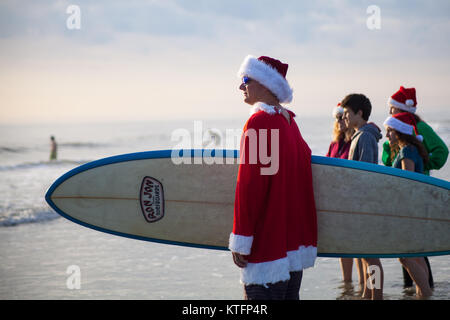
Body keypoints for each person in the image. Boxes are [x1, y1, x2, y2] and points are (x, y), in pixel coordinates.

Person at [229, 55, 318, 300]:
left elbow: (250, 187)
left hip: (266, 253)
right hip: (292, 251)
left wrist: (241, 240)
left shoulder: (258, 123)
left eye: (246, 79)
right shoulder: (291, 125)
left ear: (266, 84)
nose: (240, 86)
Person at [382, 86, 447, 288]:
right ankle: (415, 289)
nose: (390, 112)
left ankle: (423, 290)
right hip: (407, 190)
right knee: (411, 252)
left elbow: (442, 151)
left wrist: (423, 164)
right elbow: (387, 160)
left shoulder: (420, 129)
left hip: (415, 191)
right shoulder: (397, 135)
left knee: (413, 251)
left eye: (392, 108)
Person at [383, 112, 433, 298]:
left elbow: (408, 183)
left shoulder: (407, 151)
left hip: (408, 211)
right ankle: (424, 294)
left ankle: (425, 293)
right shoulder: (412, 148)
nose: (387, 136)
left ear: (400, 131)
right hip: (417, 209)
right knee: (417, 256)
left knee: (405, 256)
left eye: (390, 131)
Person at [341, 93, 384, 300]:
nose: (344, 117)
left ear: (359, 113)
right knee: (366, 257)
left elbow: (366, 173)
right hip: (360, 206)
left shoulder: (365, 136)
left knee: (371, 257)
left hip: (365, 206)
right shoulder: (359, 135)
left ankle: (377, 295)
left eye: (348, 113)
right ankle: (368, 294)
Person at [325, 104, 364, 286]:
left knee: (357, 246)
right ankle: (347, 285)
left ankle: (366, 286)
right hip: (337, 201)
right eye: (337, 118)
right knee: (343, 245)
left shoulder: (354, 142)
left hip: (352, 200)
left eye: (342, 117)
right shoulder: (334, 144)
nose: (339, 121)